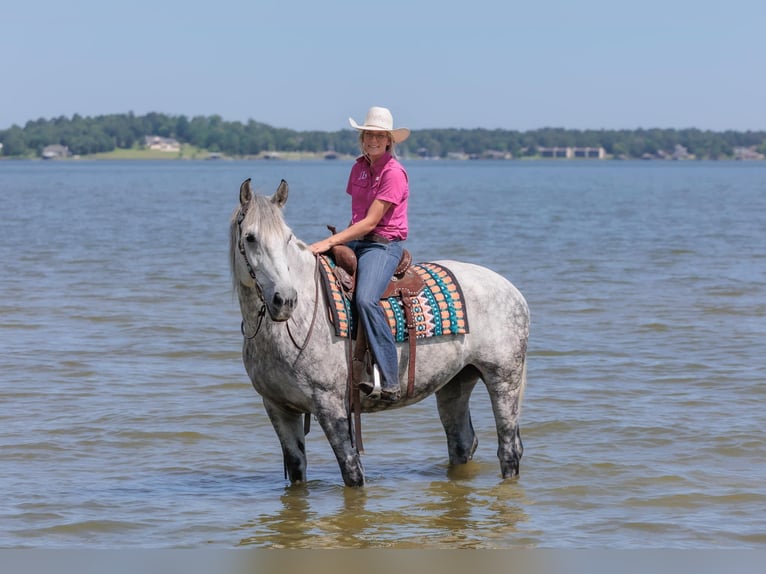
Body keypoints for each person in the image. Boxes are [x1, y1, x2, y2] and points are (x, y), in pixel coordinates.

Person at [310, 106, 410, 402]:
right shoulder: (357, 168)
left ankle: (390, 379)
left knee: (366, 300)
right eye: (368, 135)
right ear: (362, 138)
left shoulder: (394, 173)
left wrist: (328, 243)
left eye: (379, 136)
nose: (372, 140)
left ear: (389, 140)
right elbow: (357, 219)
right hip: (358, 240)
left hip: (383, 245)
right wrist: (337, 245)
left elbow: (370, 222)